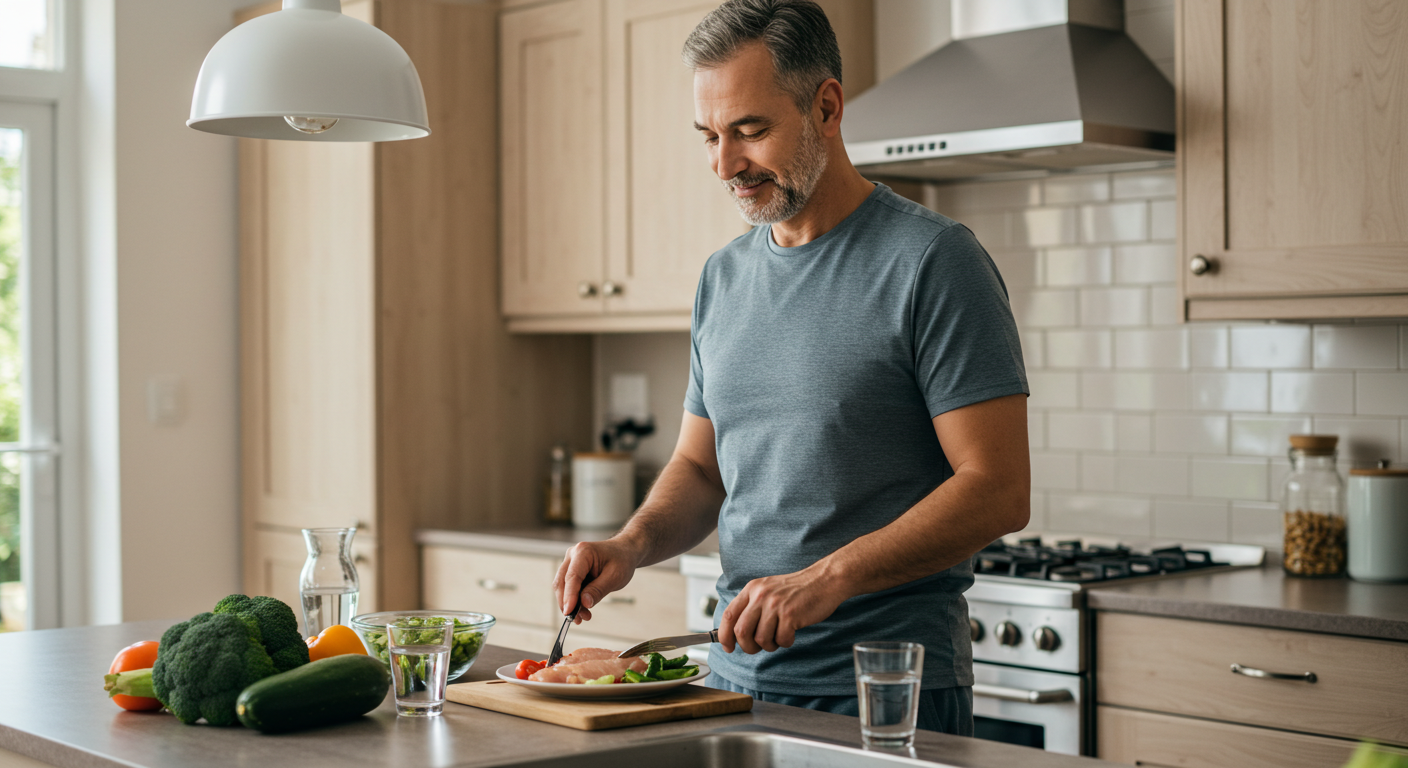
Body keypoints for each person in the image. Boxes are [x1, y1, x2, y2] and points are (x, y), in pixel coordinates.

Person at [553, 0, 1029, 735]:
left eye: (750, 131)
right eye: (709, 136)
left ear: (826, 107)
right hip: (734, 683)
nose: (725, 164)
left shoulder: (934, 262)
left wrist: (826, 578)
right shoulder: (723, 278)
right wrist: (630, 544)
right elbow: (701, 467)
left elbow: (998, 490)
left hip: (885, 690)